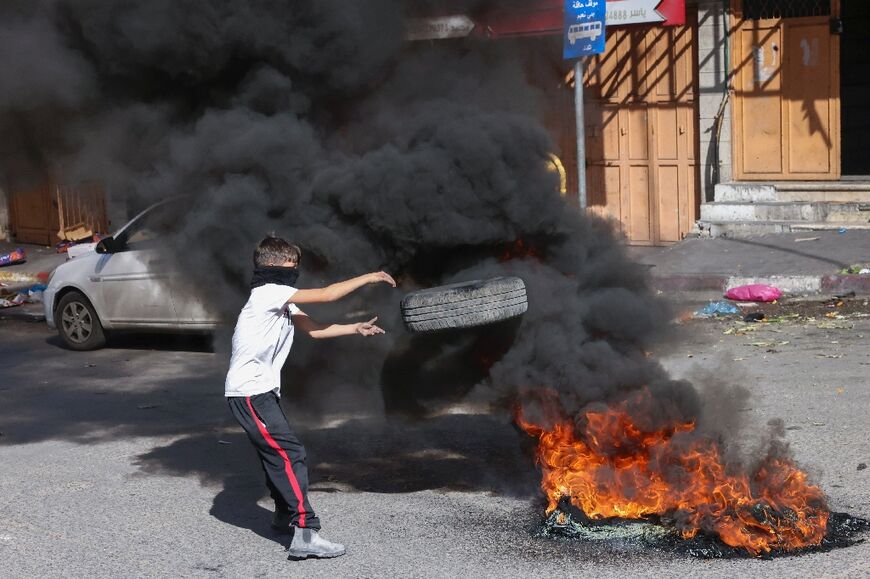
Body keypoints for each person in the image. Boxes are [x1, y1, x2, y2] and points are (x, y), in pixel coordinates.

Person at [225, 235, 396, 560]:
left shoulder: (279, 298)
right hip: (250, 392)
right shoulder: (269, 293)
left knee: (276, 455)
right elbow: (329, 294)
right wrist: (370, 276)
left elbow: (314, 329)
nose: (296, 271)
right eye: (293, 265)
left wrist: (354, 328)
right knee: (290, 454)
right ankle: (305, 532)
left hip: (258, 392)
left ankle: (282, 516)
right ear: (276, 266)